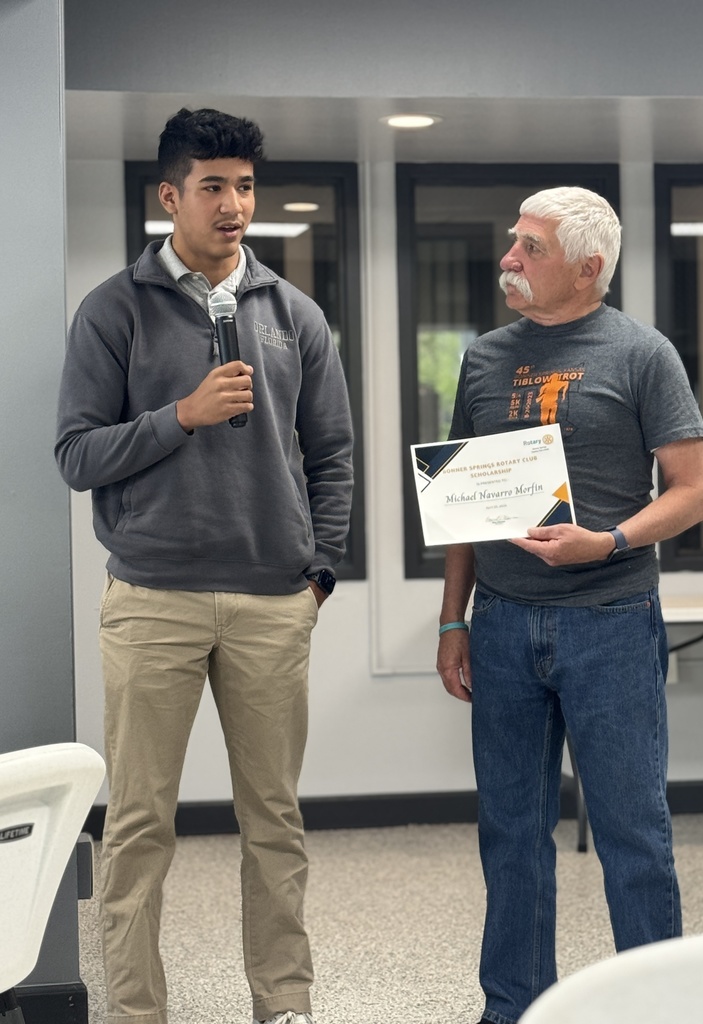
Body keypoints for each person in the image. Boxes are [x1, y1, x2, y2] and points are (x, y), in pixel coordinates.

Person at [55, 107, 354, 1024]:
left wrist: (319, 573)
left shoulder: (293, 313)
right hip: (153, 599)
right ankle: (137, 1011)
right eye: (214, 186)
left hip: (272, 603)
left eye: (246, 187)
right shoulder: (113, 309)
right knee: (140, 825)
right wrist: (178, 417)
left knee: (275, 822)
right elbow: (76, 455)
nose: (234, 205)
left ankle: (285, 1004)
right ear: (170, 195)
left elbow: (333, 455)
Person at [436, 187, 703, 1024]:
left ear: (589, 268)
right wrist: (454, 620)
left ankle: (660, 1010)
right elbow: (464, 502)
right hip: (503, 624)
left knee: (634, 836)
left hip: (611, 622)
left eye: (533, 248)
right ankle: (512, 1008)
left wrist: (611, 541)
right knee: (511, 834)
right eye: (514, 241)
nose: (509, 259)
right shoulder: (483, 359)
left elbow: (694, 492)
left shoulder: (642, 353)